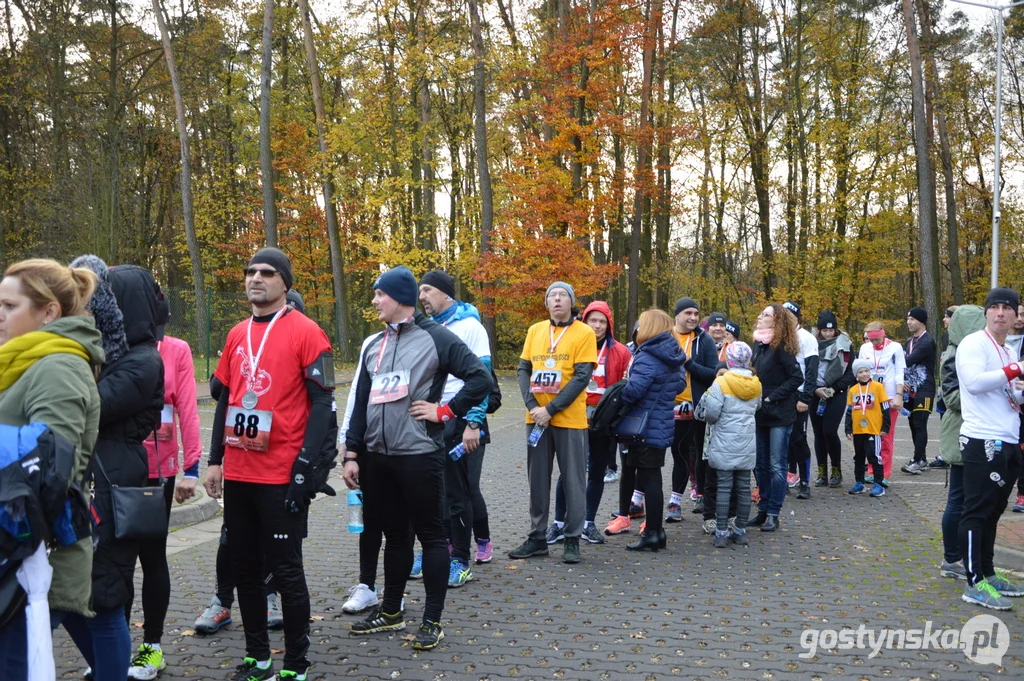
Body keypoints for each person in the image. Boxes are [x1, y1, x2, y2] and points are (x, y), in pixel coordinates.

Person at [203, 247, 336, 680]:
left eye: (266, 272)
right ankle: (257, 658)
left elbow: (322, 404)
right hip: (239, 473)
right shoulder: (236, 332)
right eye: (249, 272)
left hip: (281, 475)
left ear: (284, 282)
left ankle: (295, 664)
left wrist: (306, 466)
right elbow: (226, 401)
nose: (254, 279)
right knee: (244, 570)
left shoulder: (307, 331)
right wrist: (214, 460)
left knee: (286, 571)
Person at [343, 265, 490, 650]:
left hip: (420, 454)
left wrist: (445, 411)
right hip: (378, 458)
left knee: (431, 536)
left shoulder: (437, 337)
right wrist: (352, 453)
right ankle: (391, 610)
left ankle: (432, 621)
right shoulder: (375, 344)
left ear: (400, 299)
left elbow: (481, 379)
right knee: (394, 536)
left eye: (379, 294)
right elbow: (362, 400)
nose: (374, 300)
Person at [0, 260, 103, 681]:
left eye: (8, 305)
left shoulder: (58, 366)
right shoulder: (23, 362)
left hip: (35, 559)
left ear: (48, 312)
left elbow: (48, 472)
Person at [69, 257, 165, 681]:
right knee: (73, 595)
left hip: (114, 482)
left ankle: (112, 671)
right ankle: (107, 668)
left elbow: (91, 406)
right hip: (96, 478)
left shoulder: (143, 362)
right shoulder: (116, 358)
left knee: (105, 594)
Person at [196, 288, 308, 635]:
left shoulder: (301, 342)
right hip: (244, 464)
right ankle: (221, 602)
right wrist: (215, 459)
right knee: (232, 539)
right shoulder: (242, 337)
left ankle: (272, 596)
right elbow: (219, 392)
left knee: (283, 545)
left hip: (282, 470)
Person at [128, 284, 203, 680]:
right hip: (116, 467)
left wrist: (191, 468)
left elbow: (188, 407)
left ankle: (151, 648)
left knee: (151, 557)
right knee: (115, 562)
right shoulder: (113, 346)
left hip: (158, 470)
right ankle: (110, 646)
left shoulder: (177, 350)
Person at [416, 269, 494, 587]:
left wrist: (473, 423)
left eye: (427, 290)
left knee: (459, 493)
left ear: (446, 294)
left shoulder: (470, 327)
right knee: (434, 493)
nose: (421, 297)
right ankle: (439, 551)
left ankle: (461, 560)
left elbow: (484, 378)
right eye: (419, 291)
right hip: (432, 418)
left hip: (462, 418)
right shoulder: (425, 329)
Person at [508, 281, 596, 564]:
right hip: (535, 418)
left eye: (563, 295)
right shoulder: (535, 330)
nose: (557, 300)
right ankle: (537, 537)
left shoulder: (584, 332)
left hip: (569, 420)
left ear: (571, 302)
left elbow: (582, 377)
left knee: (573, 481)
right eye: (552, 296)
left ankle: (572, 539)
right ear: (546, 304)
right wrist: (533, 406)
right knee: (537, 480)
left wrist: (552, 409)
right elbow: (523, 368)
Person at [955, 287, 1024, 610]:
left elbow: (1010, 394)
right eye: (994, 307)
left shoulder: (1008, 350)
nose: (1000, 313)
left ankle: (988, 572)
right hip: (983, 439)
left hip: (1008, 438)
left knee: (994, 512)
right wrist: (1016, 370)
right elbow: (974, 382)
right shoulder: (974, 343)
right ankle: (973, 582)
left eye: (1007, 309)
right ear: (986, 313)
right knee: (977, 510)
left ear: (1015, 316)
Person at [551, 301, 630, 545]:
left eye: (602, 321)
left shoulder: (621, 352)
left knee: (596, 472)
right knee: (568, 472)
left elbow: (623, 388)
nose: (597, 326)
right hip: (573, 416)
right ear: (584, 321)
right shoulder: (570, 344)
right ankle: (559, 524)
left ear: (609, 325)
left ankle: (587, 523)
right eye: (592, 320)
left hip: (603, 421)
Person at [614, 309, 685, 551]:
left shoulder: (647, 355)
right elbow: (679, 385)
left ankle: (653, 533)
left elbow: (634, 391)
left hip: (643, 425)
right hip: (662, 422)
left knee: (649, 479)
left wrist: (619, 389)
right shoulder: (674, 354)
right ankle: (657, 533)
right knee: (652, 477)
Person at [936, 305, 985, 581]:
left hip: (971, 433)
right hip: (960, 434)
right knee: (957, 500)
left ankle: (965, 556)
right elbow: (951, 398)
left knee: (969, 500)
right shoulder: (953, 357)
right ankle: (951, 558)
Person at [696, 341, 761, 548]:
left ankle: (722, 532)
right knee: (743, 488)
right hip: (746, 443)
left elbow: (712, 415)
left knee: (723, 488)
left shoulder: (721, 383)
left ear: (729, 361)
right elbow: (757, 406)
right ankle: (740, 530)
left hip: (724, 443)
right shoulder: (756, 384)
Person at [749, 304, 803, 532]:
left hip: (780, 415)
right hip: (760, 414)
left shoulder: (781, 347)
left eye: (766, 315)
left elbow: (796, 378)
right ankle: (762, 509)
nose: (760, 317)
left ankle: (774, 512)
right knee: (759, 465)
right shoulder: (758, 346)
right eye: (761, 314)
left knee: (777, 466)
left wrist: (772, 397)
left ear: (777, 321)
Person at [665, 297, 718, 521]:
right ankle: (639, 500)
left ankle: (682, 501)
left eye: (696, 314)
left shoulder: (704, 341)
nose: (693, 318)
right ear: (676, 315)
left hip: (695, 409)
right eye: (688, 313)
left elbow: (712, 374)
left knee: (692, 455)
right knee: (671, 452)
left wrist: (689, 363)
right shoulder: (666, 336)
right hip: (667, 406)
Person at [857, 321, 906, 483]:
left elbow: (900, 372)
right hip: (870, 397)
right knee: (870, 436)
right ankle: (872, 470)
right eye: (871, 340)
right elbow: (860, 371)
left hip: (889, 397)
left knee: (886, 435)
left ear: (883, 334)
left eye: (877, 340)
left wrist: (899, 395)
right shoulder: (865, 349)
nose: (874, 343)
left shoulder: (895, 348)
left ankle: (884, 473)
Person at [809, 311, 854, 487]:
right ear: (819, 330)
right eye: (824, 331)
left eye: (831, 330)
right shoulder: (810, 345)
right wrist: (815, 390)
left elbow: (851, 373)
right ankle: (822, 472)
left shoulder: (845, 345)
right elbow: (805, 370)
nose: (828, 334)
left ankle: (836, 470)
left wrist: (833, 389)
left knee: (829, 431)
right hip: (815, 393)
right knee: (818, 434)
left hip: (836, 393)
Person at [782, 302, 820, 500]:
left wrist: (806, 396)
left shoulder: (807, 338)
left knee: (798, 437)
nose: (786, 318)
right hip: (782, 395)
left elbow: (812, 370)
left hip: (799, 395)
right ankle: (785, 478)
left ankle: (805, 482)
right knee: (783, 438)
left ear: (797, 317)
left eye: (790, 315)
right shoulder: (777, 337)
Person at [897, 306, 937, 475]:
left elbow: (907, 361)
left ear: (921, 321)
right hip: (910, 389)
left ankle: (917, 460)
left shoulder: (927, 341)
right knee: (913, 424)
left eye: (912, 319)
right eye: (907, 319)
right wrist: (903, 381)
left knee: (920, 423)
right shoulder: (909, 341)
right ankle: (922, 458)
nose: (909, 322)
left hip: (925, 388)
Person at [844, 359, 891, 497]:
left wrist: (885, 427)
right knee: (858, 457)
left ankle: (878, 484)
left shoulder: (878, 387)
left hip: (873, 429)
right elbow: (849, 411)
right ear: (856, 375)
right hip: (858, 429)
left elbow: (885, 408)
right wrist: (848, 429)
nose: (864, 374)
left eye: (866, 371)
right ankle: (859, 482)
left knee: (874, 456)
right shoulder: (852, 390)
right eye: (860, 372)